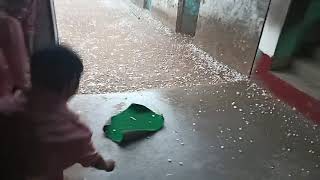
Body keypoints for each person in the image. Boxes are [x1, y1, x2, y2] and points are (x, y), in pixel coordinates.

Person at [16, 45, 115, 180]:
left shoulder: (12, 102)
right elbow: (91, 158)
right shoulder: (73, 130)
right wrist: (107, 165)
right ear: (72, 84)